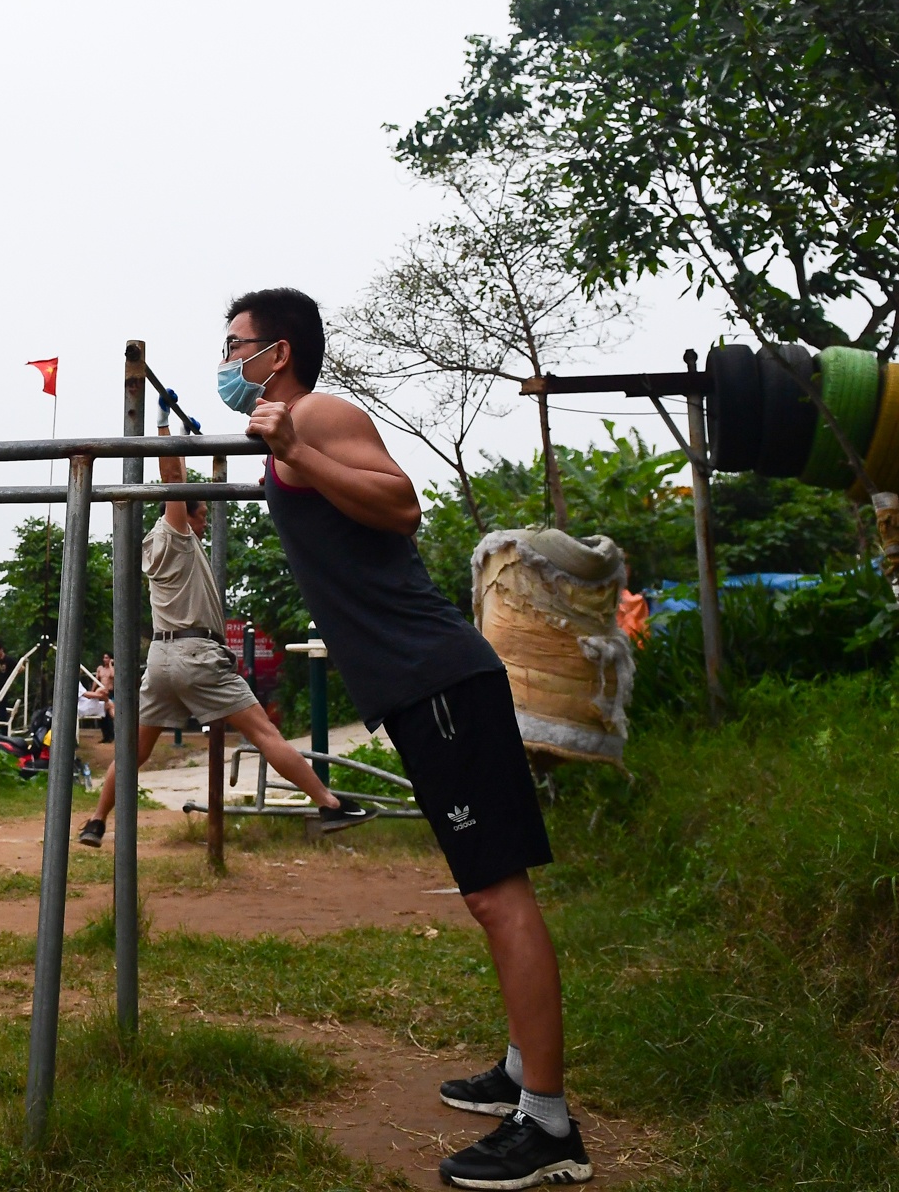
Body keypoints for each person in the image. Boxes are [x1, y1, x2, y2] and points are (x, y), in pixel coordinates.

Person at [222, 287, 590, 1189]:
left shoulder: (319, 412)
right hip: (422, 686)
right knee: (485, 894)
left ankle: (548, 1125)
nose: (225, 359)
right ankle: (518, 1072)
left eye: (236, 344)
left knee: (497, 896)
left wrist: (297, 443)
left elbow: (400, 504)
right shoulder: (287, 422)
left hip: (441, 680)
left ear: (279, 351)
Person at [77, 397, 365, 849]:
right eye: (202, 513)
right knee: (263, 732)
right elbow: (173, 478)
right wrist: (162, 423)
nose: (207, 520)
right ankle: (329, 804)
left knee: (135, 751)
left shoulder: (155, 545)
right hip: (194, 654)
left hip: (161, 659)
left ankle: (95, 821)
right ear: (183, 513)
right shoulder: (175, 532)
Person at [78, 652, 116, 743]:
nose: (105, 659)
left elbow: (113, 675)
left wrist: (111, 664)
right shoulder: (100, 669)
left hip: (109, 692)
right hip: (99, 694)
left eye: (107, 658)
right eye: (104, 658)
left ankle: (112, 735)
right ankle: (106, 736)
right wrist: (93, 690)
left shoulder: (112, 669)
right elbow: (96, 680)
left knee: (108, 714)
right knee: (102, 716)